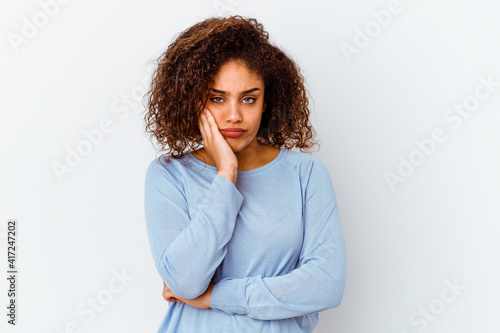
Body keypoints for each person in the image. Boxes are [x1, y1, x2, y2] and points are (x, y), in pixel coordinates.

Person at [143, 15, 347, 333]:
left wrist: (216, 296)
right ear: (193, 100)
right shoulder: (169, 175)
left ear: (267, 102)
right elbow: (184, 281)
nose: (234, 115)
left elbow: (326, 284)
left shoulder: (305, 174)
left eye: (249, 99)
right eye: (217, 99)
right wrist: (226, 174)